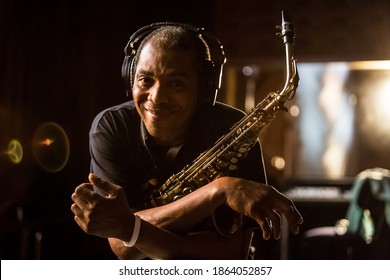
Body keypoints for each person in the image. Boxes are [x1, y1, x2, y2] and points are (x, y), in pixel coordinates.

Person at [70, 23, 303, 260]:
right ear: (130, 77)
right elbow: (123, 248)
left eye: (176, 83)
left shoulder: (235, 129)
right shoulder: (112, 126)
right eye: (145, 80)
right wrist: (219, 190)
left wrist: (134, 229)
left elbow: (231, 254)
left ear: (203, 89)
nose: (157, 97)